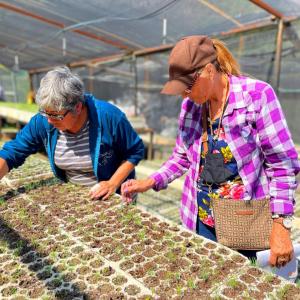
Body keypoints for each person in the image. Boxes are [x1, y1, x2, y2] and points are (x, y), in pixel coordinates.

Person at [121, 36, 300, 267]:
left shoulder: (256, 96)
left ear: (208, 70)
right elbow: (182, 156)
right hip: (200, 217)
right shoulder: (191, 107)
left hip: (244, 221)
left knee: (245, 281)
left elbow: (282, 164)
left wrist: (280, 225)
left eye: (187, 87)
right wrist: (150, 181)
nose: (184, 95)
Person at [0, 66, 144, 199]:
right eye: (45, 113)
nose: (49, 120)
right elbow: (12, 152)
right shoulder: (43, 121)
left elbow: (135, 151)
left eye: (56, 115)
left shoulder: (109, 117)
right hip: (75, 194)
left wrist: (112, 183)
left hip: (113, 194)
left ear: (78, 107)